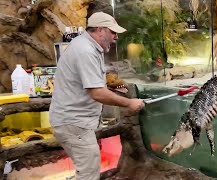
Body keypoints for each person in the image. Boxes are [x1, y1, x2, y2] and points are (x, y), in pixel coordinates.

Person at [49, 12, 145, 180]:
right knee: (88, 173)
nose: (116, 37)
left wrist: (111, 86)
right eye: (113, 32)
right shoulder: (85, 51)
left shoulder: (87, 46)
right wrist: (129, 103)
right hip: (73, 123)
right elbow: (97, 93)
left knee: (87, 169)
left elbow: (92, 84)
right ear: (100, 30)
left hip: (74, 122)